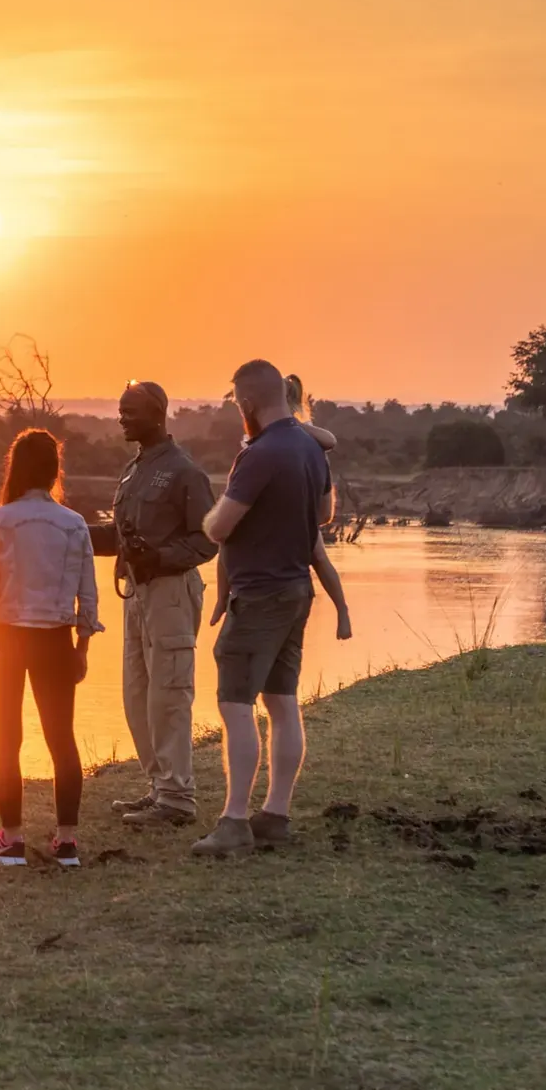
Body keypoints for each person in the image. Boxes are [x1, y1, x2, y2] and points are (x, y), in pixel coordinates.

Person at [192, 360, 352, 858]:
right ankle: (275, 814)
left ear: (246, 401)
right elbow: (325, 515)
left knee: (236, 705)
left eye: (237, 401)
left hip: (259, 594)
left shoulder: (259, 454)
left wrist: (216, 512)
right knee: (282, 703)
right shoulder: (310, 447)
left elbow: (219, 529)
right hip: (295, 591)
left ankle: (235, 819)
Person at [0, 428, 101, 867]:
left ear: (16, 469)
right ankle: (66, 842)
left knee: (6, 741)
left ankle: (11, 839)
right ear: (53, 471)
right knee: (62, 740)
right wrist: (81, 647)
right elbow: (88, 594)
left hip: (5, 640)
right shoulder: (75, 523)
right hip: (55, 640)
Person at [90, 380, 216, 828]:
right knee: (137, 695)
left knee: (169, 695)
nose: (122, 418)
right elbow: (120, 538)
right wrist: (67, 533)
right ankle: (159, 788)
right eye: (121, 410)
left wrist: (160, 557)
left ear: (158, 414)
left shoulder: (184, 472)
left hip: (171, 593)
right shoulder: (134, 469)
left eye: (131, 412)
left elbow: (207, 539)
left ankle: (178, 798)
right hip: (137, 594)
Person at [210, 371, 344, 644]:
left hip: (294, 513)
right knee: (228, 540)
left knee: (318, 556)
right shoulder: (266, 438)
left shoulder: (298, 431)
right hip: (283, 512)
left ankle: (342, 612)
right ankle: (222, 599)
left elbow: (330, 440)